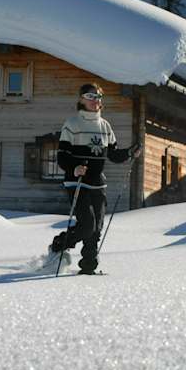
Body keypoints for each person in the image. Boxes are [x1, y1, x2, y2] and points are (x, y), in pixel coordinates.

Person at [49, 83, 141, 274]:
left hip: (97, 183)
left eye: (98, 97)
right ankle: (60, 243)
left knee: (96, 228)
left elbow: (113, 154)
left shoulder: (105, 126)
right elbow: (62, 156)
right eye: (90, 96)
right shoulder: (72, 124)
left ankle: (89, 268)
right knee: (87, 225)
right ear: (81, 99)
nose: (94, 100)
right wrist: (74, 168)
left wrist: (130, 153)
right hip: (78, 181)